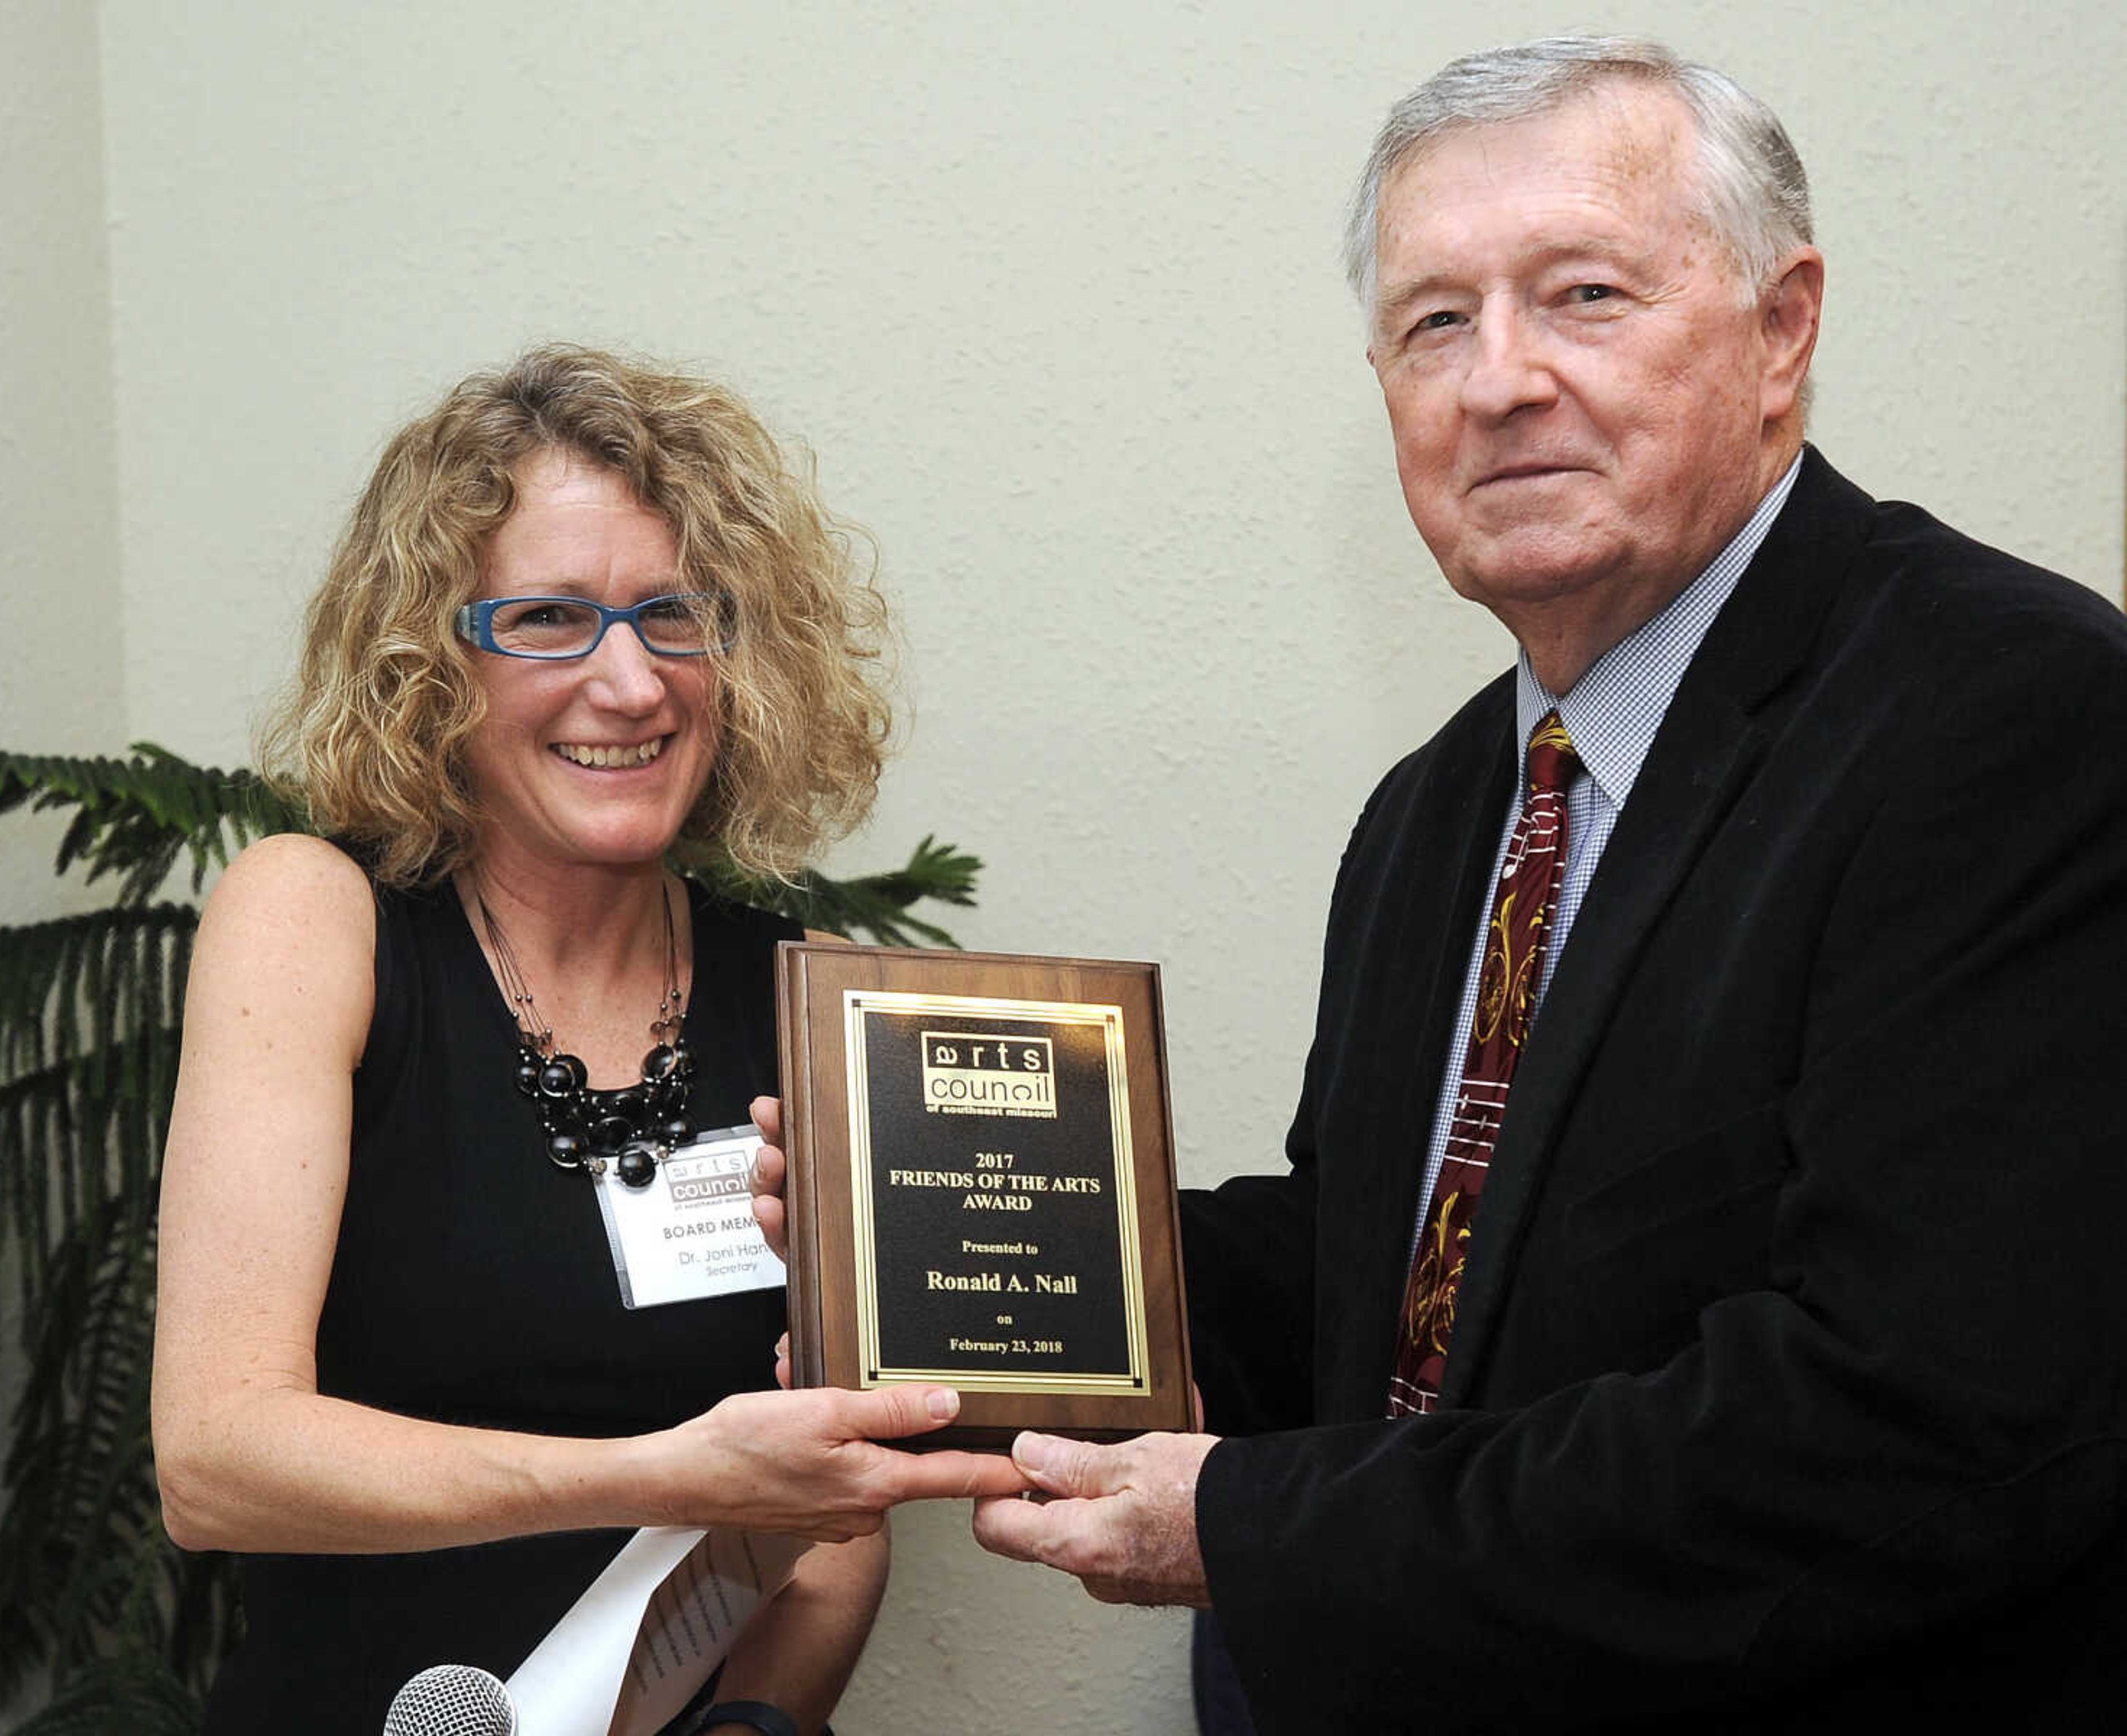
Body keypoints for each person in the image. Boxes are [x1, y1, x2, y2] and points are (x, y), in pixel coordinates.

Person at [961, 37, 2127, 1732]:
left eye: (1582, 295)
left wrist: (1242, 1523)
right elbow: (1390, 1283)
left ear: (1783, 325)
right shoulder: (1440, 812)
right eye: (1437, 320)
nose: (1499, 379)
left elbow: (1917, 1419)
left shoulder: (2013, 719)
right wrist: (950, 1229)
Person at [152, 343, 1022, 1736]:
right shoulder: (318, 924)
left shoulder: (798, 998)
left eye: (675, 616)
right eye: (549, 619)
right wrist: (666, 1474)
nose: (630, 686)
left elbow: (833, 1506)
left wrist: (757, 1727)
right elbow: (217, 1462)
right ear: (431, 661)